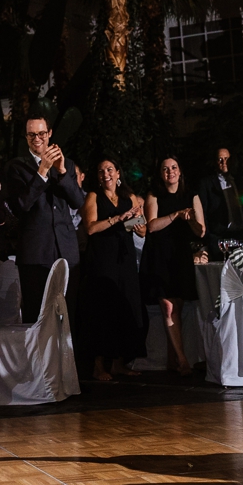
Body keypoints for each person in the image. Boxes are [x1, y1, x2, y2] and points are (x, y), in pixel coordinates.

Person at [2, 116, 81, 322]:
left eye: (41, 133)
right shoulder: (16, 167)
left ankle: (67, 355)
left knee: (67, 314)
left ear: (50, 134)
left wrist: (62, 172)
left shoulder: (68, 164)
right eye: (31, 134)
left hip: (66, 250)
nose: (37, 138)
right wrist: (43, 171)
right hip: (36, 253)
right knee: (36, 314)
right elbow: (20, 206)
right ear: (26, 137)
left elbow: (78, 201)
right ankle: (38, 356)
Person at [79, 158, 147, 381]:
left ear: (118, 173)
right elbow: (90, 228)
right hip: (102, 259)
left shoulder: (130, 197)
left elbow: (142, 230)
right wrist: (117, 218)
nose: (105, 174)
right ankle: (99, 365)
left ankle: (119, 362)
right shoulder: (93, 196)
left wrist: (136, 226)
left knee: (125, 306)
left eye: (109, 170)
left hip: (124, 258)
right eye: (101, 171)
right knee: (102, 309)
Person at [143, 156, 205, 376]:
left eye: (174, 167)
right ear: (161, 173)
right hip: (159, 255)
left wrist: (188, 219)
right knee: (168, 308)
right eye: (165, 168)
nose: (170, 171)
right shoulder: (154, 195)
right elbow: (151, 226)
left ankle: (172, 360)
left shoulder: (191, 195)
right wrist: (176, 215)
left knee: (177, 308)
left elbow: (201, 230)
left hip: (180, 255)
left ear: (180, 171)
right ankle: (183, 360)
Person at [197, 147, 243, 245]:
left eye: (226, 159)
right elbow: (203, 211)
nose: (224, 162)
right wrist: (209, 237)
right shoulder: (206, 184)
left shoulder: (241, 181)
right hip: (220, 236)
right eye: (220, 159)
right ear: (215, 162)